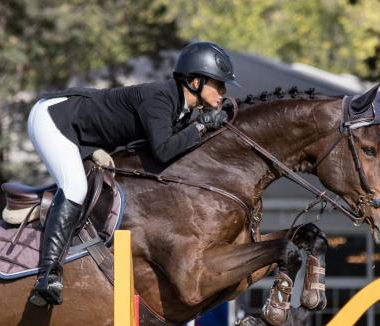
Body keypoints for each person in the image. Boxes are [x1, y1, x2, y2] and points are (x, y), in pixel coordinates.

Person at [26, 41, 239, 307]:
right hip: (54, 119)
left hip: (83, 132)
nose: (223, 91)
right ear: (195, 81)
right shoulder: (160, 99)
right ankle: (48, 276)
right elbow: (162, 151)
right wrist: (201, 128)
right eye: (218, 84)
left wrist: (205, 125)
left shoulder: (181, 109)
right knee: (75, 188)